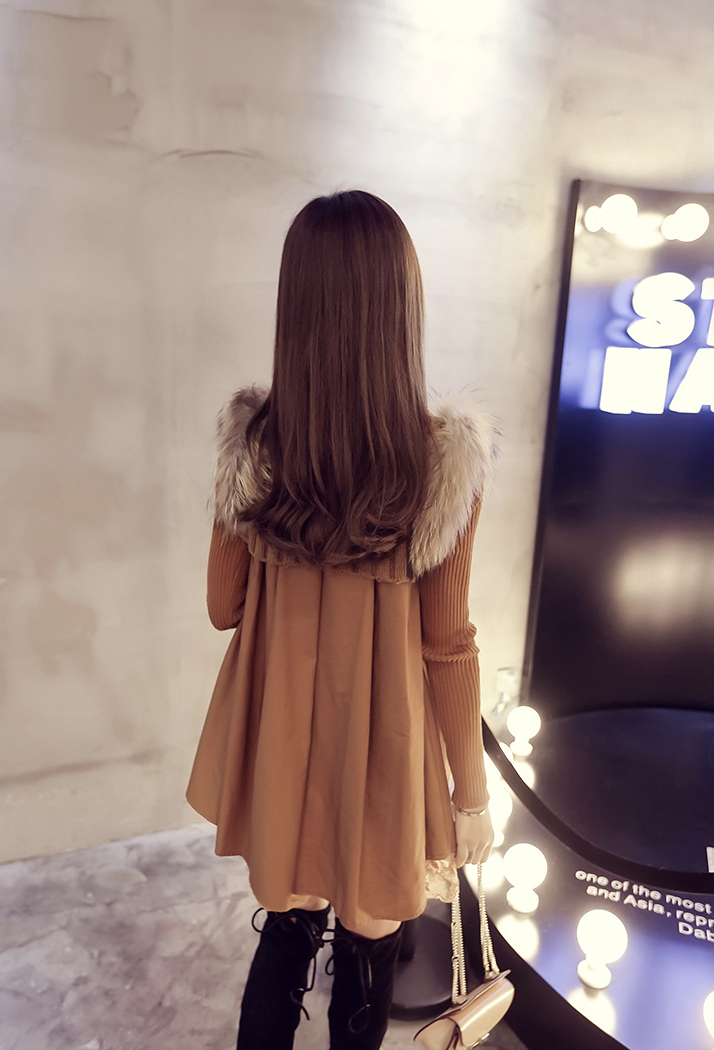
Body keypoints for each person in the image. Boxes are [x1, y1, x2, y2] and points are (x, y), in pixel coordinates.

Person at [186, 190, 496, 1050]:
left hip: (282, 743)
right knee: (369, 956)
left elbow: (222, 608)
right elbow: (447, 644)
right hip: (385, 751)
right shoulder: (441, 465)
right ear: (401, 308)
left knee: (286, 935)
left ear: (297, 309)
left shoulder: (257, 448)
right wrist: (470, 796)